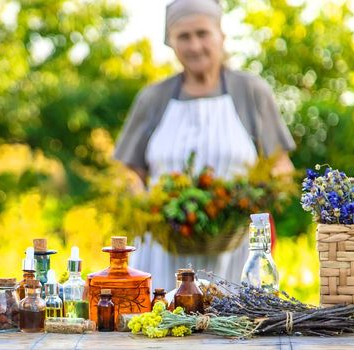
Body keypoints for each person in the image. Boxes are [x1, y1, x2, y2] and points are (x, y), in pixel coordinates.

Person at [113, 0, 296, 290]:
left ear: (221, 35)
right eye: (183, 37)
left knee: (231, 324)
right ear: (170, 43)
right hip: (162, 250)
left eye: (202, 33)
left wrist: (262, 195)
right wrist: (145, 206)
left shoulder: (250, 91)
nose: (195, 45)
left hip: (233, 252)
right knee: (161, 324)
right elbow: (126, 171)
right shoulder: (153, 98)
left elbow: (280, 165)